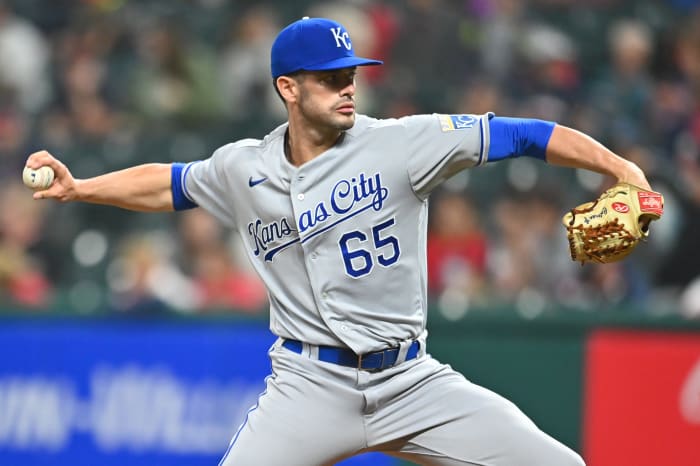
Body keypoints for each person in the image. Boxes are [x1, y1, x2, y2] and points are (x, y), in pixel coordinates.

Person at [25, 16, 655, 466]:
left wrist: (620, 170)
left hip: (411, 382)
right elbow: (168, 183)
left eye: (350, 73)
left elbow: (523, 133)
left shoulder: (404, 143)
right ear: (288, 89)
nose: (347, 85)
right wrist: (81, 189)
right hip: (308, 386)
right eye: (329, 78)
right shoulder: (244, 167)